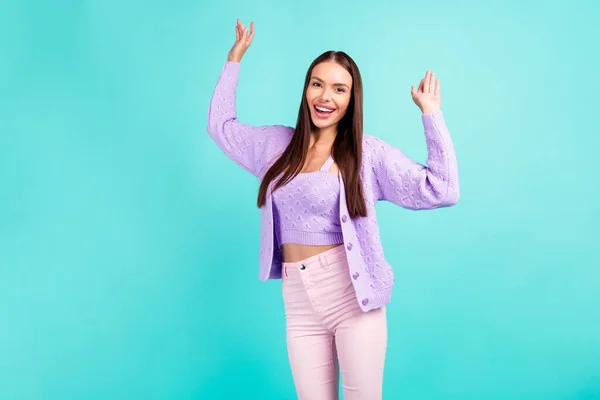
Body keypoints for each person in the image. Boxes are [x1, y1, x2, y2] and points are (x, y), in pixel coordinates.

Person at [206, 19, 460, 400]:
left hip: (351, 297)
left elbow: (442, 189)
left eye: (339, 89)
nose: (325, 96)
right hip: (298, 301)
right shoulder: (275, 145)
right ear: (306, 89)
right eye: (317, 84)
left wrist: (431, 114)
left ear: (351, 100)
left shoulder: (366, 154)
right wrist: (233, 60)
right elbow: (220, 126)